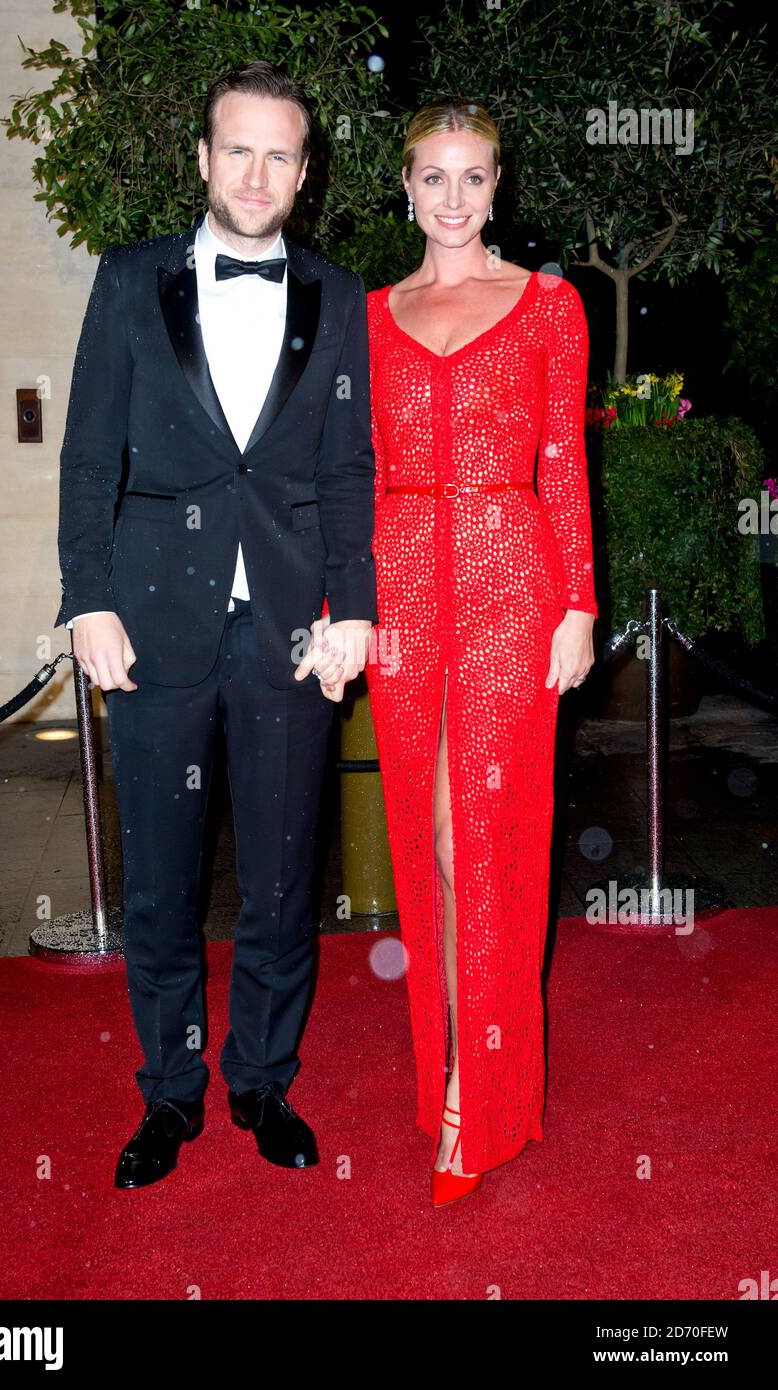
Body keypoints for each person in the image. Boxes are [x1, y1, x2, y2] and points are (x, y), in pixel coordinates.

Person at [55, 61, 376, 1189]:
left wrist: (360, 611)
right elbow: (91, 448)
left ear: (303, 170)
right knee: (161, 883)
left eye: (279, 154)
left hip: (288, 630)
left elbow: (348, 473)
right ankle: (171, 1092)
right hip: (150, 624)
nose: (256, 173)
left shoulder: (338, 299)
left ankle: (260, 1079)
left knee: (285, 876)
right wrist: (84, 596)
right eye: (236, 149)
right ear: (201, 158)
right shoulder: (130, 279)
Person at [364, 98, 598, 1207]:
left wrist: (580, 607)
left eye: (470, 177)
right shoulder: (368, 316)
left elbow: (564, 465)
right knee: (428, 840)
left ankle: (478, 1089)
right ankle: (456, 1065)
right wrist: (342, 605)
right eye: (430, 177)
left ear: (496, 183)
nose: (450, 200)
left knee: (483, 834)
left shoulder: (549, 307)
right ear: (402, 185)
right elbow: (347, 479)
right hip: (403, 584)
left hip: (514, 582)